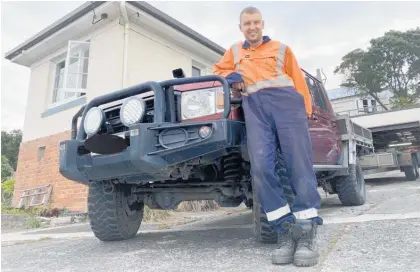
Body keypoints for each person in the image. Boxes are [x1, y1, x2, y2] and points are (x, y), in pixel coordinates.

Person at [213, 6, 323, 267]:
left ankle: (306, 231)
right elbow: (216, 72)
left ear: (262, 25)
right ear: (240, 28)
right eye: (246, 23)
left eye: (255, 22)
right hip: (256, 110)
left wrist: (305, 113)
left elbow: (298, 81)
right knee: (261, 168)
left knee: (299, 165)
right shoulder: (235, 51)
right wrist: (232, 77)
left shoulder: (282, 49)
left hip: (288, 107)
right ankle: (284, 231)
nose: (251, 27)